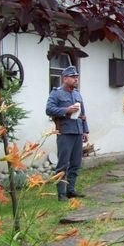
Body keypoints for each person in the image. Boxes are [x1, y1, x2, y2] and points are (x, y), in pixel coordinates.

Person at [46, 66, 89, 201]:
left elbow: (83, 114)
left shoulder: (77, 94)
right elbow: (49, 109)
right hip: (65, 132)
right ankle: (61, 193)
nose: (76, 79)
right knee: (63, 164)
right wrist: (66, 110)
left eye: (77, 77)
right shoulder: (56, 93)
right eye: (73, 77)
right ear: (65, 79)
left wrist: (85, 130)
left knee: (76, 163)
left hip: (77, 132)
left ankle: (71, 190)